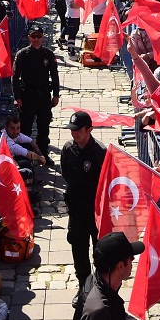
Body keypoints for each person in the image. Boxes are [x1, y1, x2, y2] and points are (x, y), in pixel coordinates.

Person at [61, 111, 108, 290]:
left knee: (100, 252)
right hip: (76, 210)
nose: (74, 134)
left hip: (95, 211)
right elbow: (66, 173)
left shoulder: (99, 152)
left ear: (89, 130)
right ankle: (83, 287)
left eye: (78, 130)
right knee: (78, 251)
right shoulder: (68, 149)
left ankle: (101, 288)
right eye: (72, 130)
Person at [12, 25, 60, 153]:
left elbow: (54, 75)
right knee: (26, 127)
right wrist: (17, 97)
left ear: (42, 37)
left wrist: (56, 95)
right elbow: (15, 78)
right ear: (29, 37)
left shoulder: (48, 54)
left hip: (44, 96)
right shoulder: (22, 54)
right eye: (34, 36)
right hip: (27, 96)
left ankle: (43, 153)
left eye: (39, 36)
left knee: (44, 126)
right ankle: (26, 154)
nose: (36, 39)